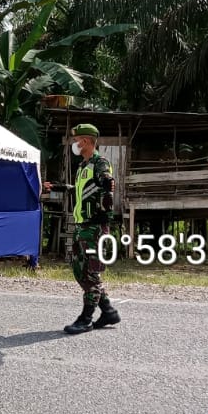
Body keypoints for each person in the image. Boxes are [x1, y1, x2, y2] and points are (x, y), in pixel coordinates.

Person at [48, 123, 121, 334]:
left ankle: (86, 318)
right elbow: (79, 190)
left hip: (95, 227)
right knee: (81, 271)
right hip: (82, 226)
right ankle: (108, 311)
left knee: (90, 272)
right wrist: (57, 187)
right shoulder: (83, 166)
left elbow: (106, 180)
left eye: (77, 140)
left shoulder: (100, 163)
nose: (75, 144)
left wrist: (108, 183)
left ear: (86, 141)